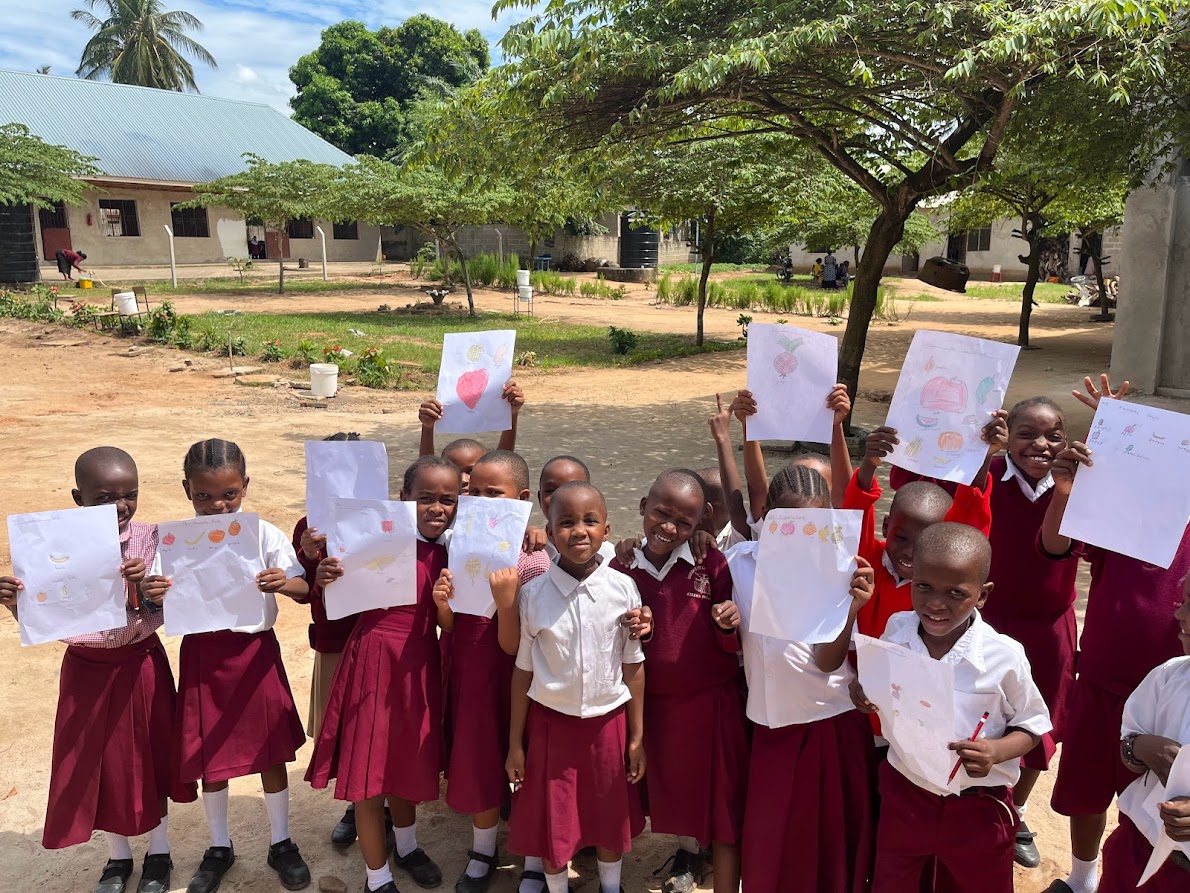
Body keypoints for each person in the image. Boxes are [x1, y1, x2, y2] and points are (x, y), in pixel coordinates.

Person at [889, 396, 1077, 867]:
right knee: (964, 708)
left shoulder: (1076, 486)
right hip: (975, 618)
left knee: (1039, 720)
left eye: (1054, 436)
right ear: (1006, 437)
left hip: (1048, 624)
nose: (1041, 444)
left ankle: (1016, 809)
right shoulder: (987, 472)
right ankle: (939, 793)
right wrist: (979, 453)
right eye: (1026, 434)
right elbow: (939, 498)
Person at [0, 447, 196, 893]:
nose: (121, 506)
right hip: (86, 672)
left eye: (130, 494)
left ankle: (160, 851)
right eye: (105, 498)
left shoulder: (153, 540)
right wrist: (16, 604)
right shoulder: (50, 544)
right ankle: (118, 855)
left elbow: (172, 607)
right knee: (100, 764)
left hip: (141, 663)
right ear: (79, 498)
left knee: (151, 758)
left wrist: (146, 587)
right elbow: (48, 616)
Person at [1038, 374, 1190, 893]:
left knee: (1151, 806)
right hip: (1102, 683)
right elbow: (1055, 546)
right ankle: (1083, 880)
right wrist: (1106, 449)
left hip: (1168, 703)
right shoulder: (1126, 514)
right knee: (1086, 790)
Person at [142, 439, 312, 893]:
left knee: (271, 751)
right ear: (187, 490)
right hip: (203, 656)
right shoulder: (174, 543)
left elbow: (304, 589)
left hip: (254, 655)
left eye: (229, 494)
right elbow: (153, 596)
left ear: (245, 486)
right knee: (211, 758)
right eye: (204, 495)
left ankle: (281, 841)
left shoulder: (263, 534)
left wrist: (284, 583)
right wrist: (153, 592)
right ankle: (219, 845)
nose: (218, 505)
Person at [850, 523, 1053, 893]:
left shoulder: (1004, 656)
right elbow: (881, 684)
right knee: (893, 883)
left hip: (978, 808)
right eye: (923, 587)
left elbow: (1032, 725)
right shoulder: (898, 629)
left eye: (955, 593)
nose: (935, 603)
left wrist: (996, 751)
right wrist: (864, 691)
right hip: (905, 794)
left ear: (983, 595)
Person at [306, 455, 462, 893]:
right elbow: (334, 601)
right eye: (425, 498)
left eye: (447, 499)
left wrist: (444, 604)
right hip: (373, 660)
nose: (437, 508)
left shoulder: (452, 553)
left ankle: (407, 847)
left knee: (406, 763)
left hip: (419, 665)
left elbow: (447, 625)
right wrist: (325, 576)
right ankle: (377, 878)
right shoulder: (371, 540)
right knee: (369, 774)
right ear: (403, 498)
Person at [727, 465, 878, 893]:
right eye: (790, 522)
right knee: (771, 842)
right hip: (771, 725)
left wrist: (851, 609)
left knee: (831, 845)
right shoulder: (739, 564)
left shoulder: (840, 570)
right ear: (767, 514)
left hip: (831, 722)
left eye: (816, 522)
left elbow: (828, 662)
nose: (803, 533)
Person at [505, 481, 649, 893]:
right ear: (550, 533)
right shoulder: (533, 595)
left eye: (590, 521)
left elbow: (633, 665)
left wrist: (636, 737)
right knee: (556, 821)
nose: (579, 531)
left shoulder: (623, 589)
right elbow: (523, 671)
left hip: (608, 725)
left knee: (608, 816)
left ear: (607, 530)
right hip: (552, 727)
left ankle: (610, 887)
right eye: (566, 522)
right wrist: (515, 744)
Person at [610, 469, 747, 893]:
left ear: (701, 522)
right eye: (661, 514)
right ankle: (689, 850)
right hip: (652, 703)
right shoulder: (622, 565)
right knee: (668, 787)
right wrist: (641, 629)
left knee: (716, 794)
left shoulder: (711, 562)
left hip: (709, 702)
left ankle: (715, 859)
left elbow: (729, 641)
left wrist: (726, 625)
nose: (669, 527)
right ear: (642, 507)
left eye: (684, 522)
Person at [437, 450, 552, 893]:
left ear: (521, 500)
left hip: (520, 675)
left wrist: (505, 602)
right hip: (472, 672)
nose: (481, 502)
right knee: (479, 757)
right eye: (474, 493)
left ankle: (533, 858)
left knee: (528, 760)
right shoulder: (457, 544)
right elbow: (450, 624)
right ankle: (483, 851)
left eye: (493, 493)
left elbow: (520, 642)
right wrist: (443, 602)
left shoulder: (534, 560)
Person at [843, 418, 1000, 644]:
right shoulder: (867, 561)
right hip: (857, 666)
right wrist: (869, 463)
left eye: (923, 543)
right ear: (886, 527)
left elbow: (970, 519)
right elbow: (853, 516)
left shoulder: (941, 580)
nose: (910, 552)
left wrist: (982, 457)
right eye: (901, 538)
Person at [290, 433, 371, 848]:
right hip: (336, 639)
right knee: (343, 725)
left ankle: (388, 809)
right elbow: (302, 591)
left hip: (378, 638)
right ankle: (358, 805)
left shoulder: (384, 518)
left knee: (377, 723)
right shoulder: (309, 528)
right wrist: (310, 559)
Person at [1097, 576, 1190, 893]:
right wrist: (1140, 747)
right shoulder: (1169, 676)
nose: (1178, 614)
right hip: (1136, 849)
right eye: (1183, 600)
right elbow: (1129, 744)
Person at [728, 384, 855, 520]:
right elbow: (757, 488)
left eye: (820, 484)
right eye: (797, 481)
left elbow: (845, 492)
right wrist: (750, 425)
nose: (806, 487)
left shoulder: (836, 527)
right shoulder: (770, 523)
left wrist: (835, 425)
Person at [418, 380, 526, 487]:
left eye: (471, 472)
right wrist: (427, 427)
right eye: (455, 471)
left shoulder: (487, 495)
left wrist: (510, 414)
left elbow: (503, 461)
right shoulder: (444, 496)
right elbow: (426, 469)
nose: (464, 479)